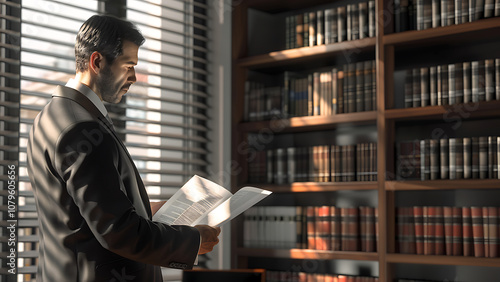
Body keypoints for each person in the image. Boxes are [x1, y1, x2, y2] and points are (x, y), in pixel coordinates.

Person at [26, 14, 220, 282]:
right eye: (128, 65)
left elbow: (81, 211)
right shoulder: (81, 128)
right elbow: (118, 232)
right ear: (97, 62)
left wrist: (146, 208)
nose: (135, 77)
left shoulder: (51, 116)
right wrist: (193, 240)